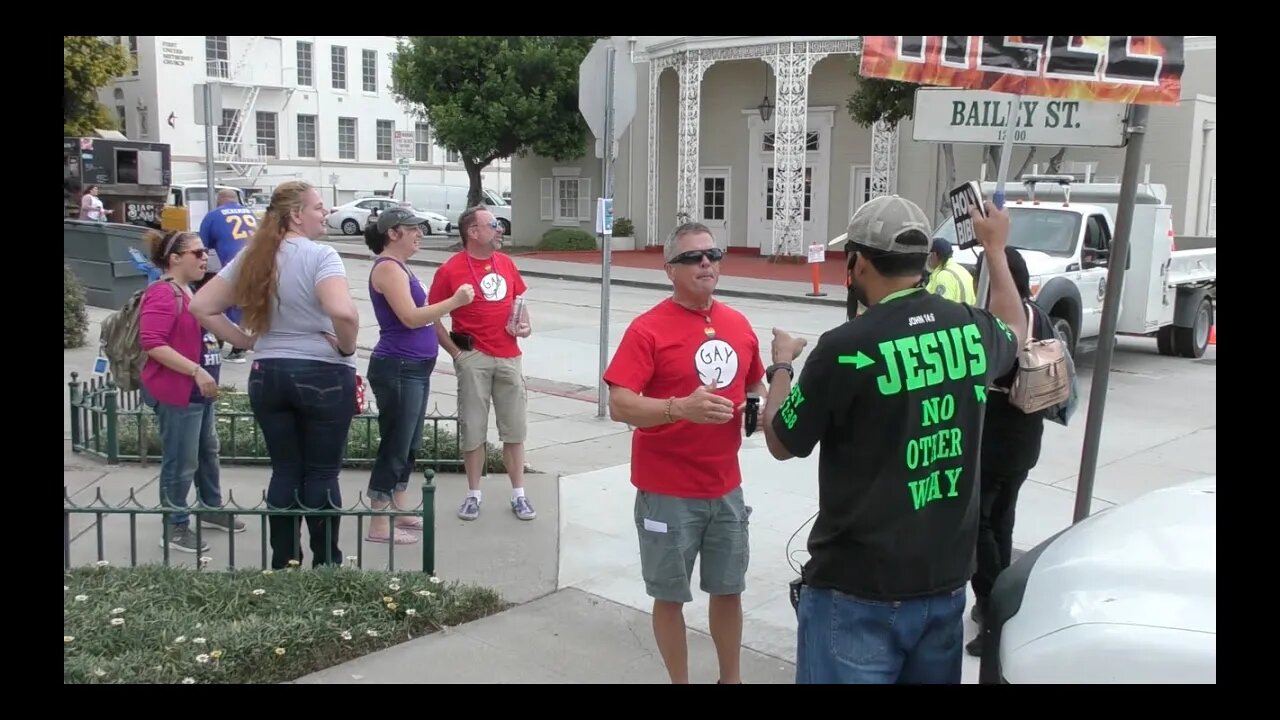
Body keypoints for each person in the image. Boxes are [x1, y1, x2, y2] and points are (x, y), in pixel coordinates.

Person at [761, 195, 1027, 684]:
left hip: (855, 591)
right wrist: (995, 250)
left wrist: (781, 365)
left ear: (858, 262)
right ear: (923, 261)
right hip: (944, 589)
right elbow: (1016, 328)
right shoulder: (970, 328)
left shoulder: (844, 348)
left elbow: (781, 440)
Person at [604, 222, 765, 685]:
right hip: (667, 490)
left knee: (728, 590)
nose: (707, 264)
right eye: (694, 258)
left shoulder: (736, 323)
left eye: (713, 255)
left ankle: (729, 679)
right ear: (670, 270)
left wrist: (753, 404)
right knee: (670, 596)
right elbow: (620, 404)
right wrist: (680, 408)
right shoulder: (647, 329)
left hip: (725, 486)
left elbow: (753, 379)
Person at [191, 180, 360, 569]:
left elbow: (201, 305)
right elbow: (345, 313)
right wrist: (347, 347)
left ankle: (284, 562)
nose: (326, 212)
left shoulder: (254, 257)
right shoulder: (322, 256)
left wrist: (247, 342)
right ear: (296, 214)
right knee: (320, 472)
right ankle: (326, 566)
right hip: (321, 372)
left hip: (268, 372)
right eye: (319, 207)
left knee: (285, 470)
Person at [363, 208, 475, 544]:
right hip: (399, 366)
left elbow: (422, 318)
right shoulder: (387, 269)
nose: (419, 235)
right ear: (393, 233)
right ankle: (379, 522)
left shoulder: (401, 268)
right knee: (396, 443)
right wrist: (454, 301)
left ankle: (398, 504)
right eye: (413, 229)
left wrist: (452, 349)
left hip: (414, 367)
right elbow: (411, 317)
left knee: (409, 442)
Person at [966, 246, 1053, 657]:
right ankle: (1003, 598)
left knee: (979, 523)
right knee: (1002, 518)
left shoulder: (1003, 321)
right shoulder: (1039, 312)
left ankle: (993, 605)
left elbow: (989, 368)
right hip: (1026, 430)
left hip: (997, 431)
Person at [138, 230, 248, 553]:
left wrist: (248, 338)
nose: (205, 258)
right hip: (178, 392)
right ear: (174, 259)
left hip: (200, 393)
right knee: (181, 461)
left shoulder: (190, 291)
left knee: (206, 453)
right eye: (197, 254)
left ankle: (210, 507)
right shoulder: (163, 293)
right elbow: (153, 343)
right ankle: (175, 526)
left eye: (205, 253)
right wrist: (196, 370)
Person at [428, 206, 535, 522]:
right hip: (473, 358)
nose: (500, 228)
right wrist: (457, 355)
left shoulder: (506, 263)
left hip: (509, 357)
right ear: (473, 232)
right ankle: (473, 494)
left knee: (514, 429)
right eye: (493, 224)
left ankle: (519, 495)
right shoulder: (450, 270)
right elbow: (431, 316)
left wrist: (524, 327)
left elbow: (520, 305)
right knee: (473, 429)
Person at [199, 189, 257, 362]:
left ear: (219, 200)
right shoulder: (250, 212)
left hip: (235, 264)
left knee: (226, 302)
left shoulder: (214, 215)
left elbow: (202, 246)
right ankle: (241, 340)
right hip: (258, 260)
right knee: (245, 303)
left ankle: (238, 347)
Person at [925, 237, 977, 304]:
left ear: (934, 255)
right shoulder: (963, 271)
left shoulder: (943, 276)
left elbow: (940, 308)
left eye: (929, 254)